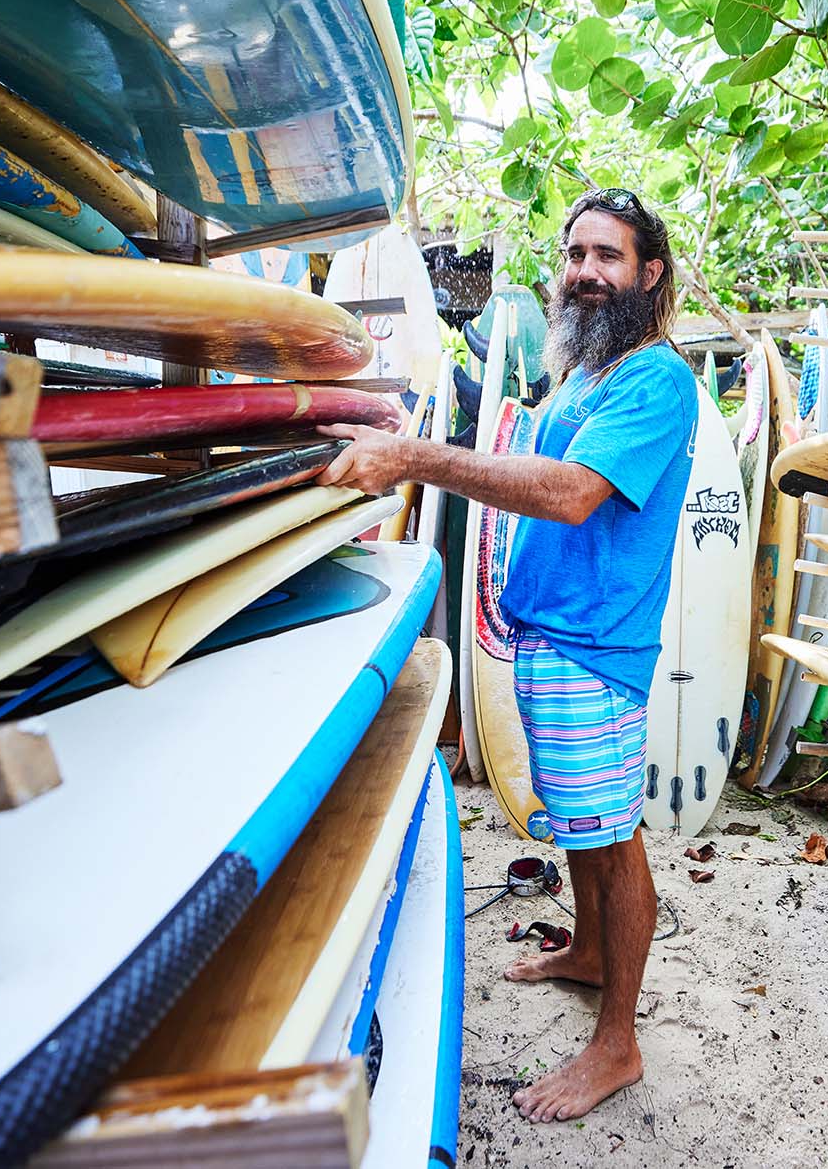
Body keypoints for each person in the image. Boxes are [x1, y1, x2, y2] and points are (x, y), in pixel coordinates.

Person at [319, 187, 697, 1123]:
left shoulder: (657, 380)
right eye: (575, 254)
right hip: (549, 634)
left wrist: (411, 456)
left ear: (650, 273)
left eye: (608, 256)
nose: (586, 272)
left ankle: (618, 1043)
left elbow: (570, 494)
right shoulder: (582, 376)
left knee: (612, 844)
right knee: (580, 824)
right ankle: (593, 953)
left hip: (595, 646)